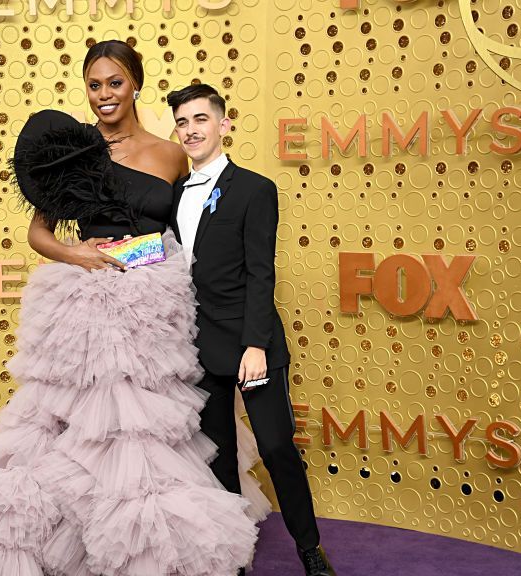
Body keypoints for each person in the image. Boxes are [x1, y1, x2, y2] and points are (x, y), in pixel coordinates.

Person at [0, 42, 260, 576]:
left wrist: (179, 270)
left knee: (153, 424)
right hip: (90, 302)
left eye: (114, 82)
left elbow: (186, 230)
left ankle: (149, 538)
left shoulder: (171, 152)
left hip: (157, 300)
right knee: (80, 423)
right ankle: (69, 538)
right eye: (94, 85)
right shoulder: (74, 152)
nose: (105, 95)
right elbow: (38, 231)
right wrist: (77, 253)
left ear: (136, 84)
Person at [168, 83, 336, 576]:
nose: (191, 129)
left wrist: (256, 345)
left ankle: (310, 549)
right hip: (198, 346)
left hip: (250, 342)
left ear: (223, 124)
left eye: (201, 119)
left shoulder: (255, 188)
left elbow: (263, 273)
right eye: (182, 121)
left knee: (277, 447)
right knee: (217, 457)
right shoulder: (174, 193)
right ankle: (232, 554)